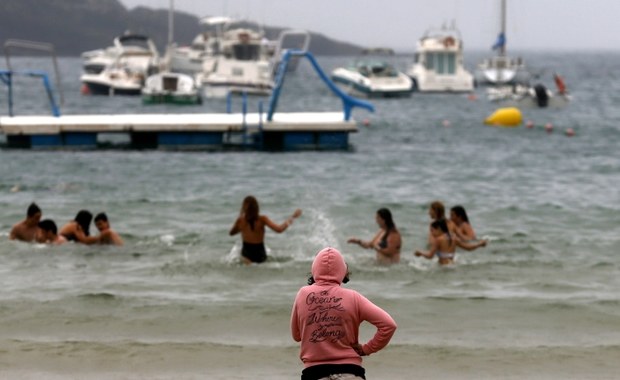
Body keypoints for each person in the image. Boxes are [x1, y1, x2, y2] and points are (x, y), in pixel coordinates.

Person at [291, 247, 397, 380]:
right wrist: (366, 349)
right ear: (343, 271)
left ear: (314, 269)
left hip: (314, 373)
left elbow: (296, 335)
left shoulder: (303, 294)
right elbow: (388, 325)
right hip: (351, 372)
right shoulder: (353, 297)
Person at [229, 195, 302, 264]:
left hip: (246, 253)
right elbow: (279, 229)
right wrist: (293, 217)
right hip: (260, 253)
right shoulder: (262, 219)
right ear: (256, 207)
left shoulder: (240, 220)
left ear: (244, 208)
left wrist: (242, 227)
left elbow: (231, 233)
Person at [415, 219, 487, 265]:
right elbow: (468, 248)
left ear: (439, 229)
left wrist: (420, 253)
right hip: (452, 265)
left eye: (432, 230)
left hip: (443, 268)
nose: (431, 233)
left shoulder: (438, 240)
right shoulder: (453, 237)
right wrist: (479, 244)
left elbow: (430, 256)